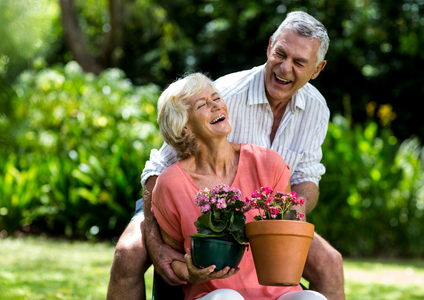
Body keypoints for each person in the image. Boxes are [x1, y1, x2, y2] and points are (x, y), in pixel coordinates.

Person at [107, 11, 345, 300]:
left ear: (317, 69)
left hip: (265, 213)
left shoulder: (317, 109)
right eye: (280, 54)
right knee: (128, 253)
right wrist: (156, 242)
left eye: (298, 62)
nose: (284, 68)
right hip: (187, 197)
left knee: (330, 263)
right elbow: (158, 168)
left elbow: (306, 177)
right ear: (270, 46)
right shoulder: (225, 95)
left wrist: (285, 222)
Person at [152, 72, 327, 300]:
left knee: (313, 299)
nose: (216, 106)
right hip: (214, 294)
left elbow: (286, 232)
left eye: (216, 98)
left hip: (278, 293)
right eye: (203, 105)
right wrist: (191, 273)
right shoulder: (170, 184)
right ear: (185, 127)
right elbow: (173, 256)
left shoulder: (268, 163)